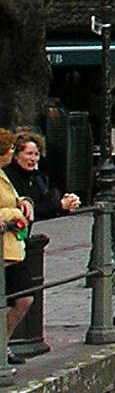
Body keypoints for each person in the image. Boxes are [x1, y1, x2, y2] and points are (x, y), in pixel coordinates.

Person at [1, 131, 34, 362]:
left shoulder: (3, 175)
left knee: (25, 298)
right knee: (5, 301)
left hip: (13, 247)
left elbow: (12, 198)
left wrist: (23, 202)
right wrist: (14, 213)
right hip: (3, 247)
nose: (12, 152)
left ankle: (3, 344)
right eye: (10, 148)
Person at [9, 131, 81, 221]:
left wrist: (68, 202)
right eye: (29, 153)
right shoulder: (9, 176)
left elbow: (45, 201)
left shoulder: (35, 177)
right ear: (16, 155)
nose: (33, 159)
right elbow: (30, 209)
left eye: (36, 154)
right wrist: (60, 205)